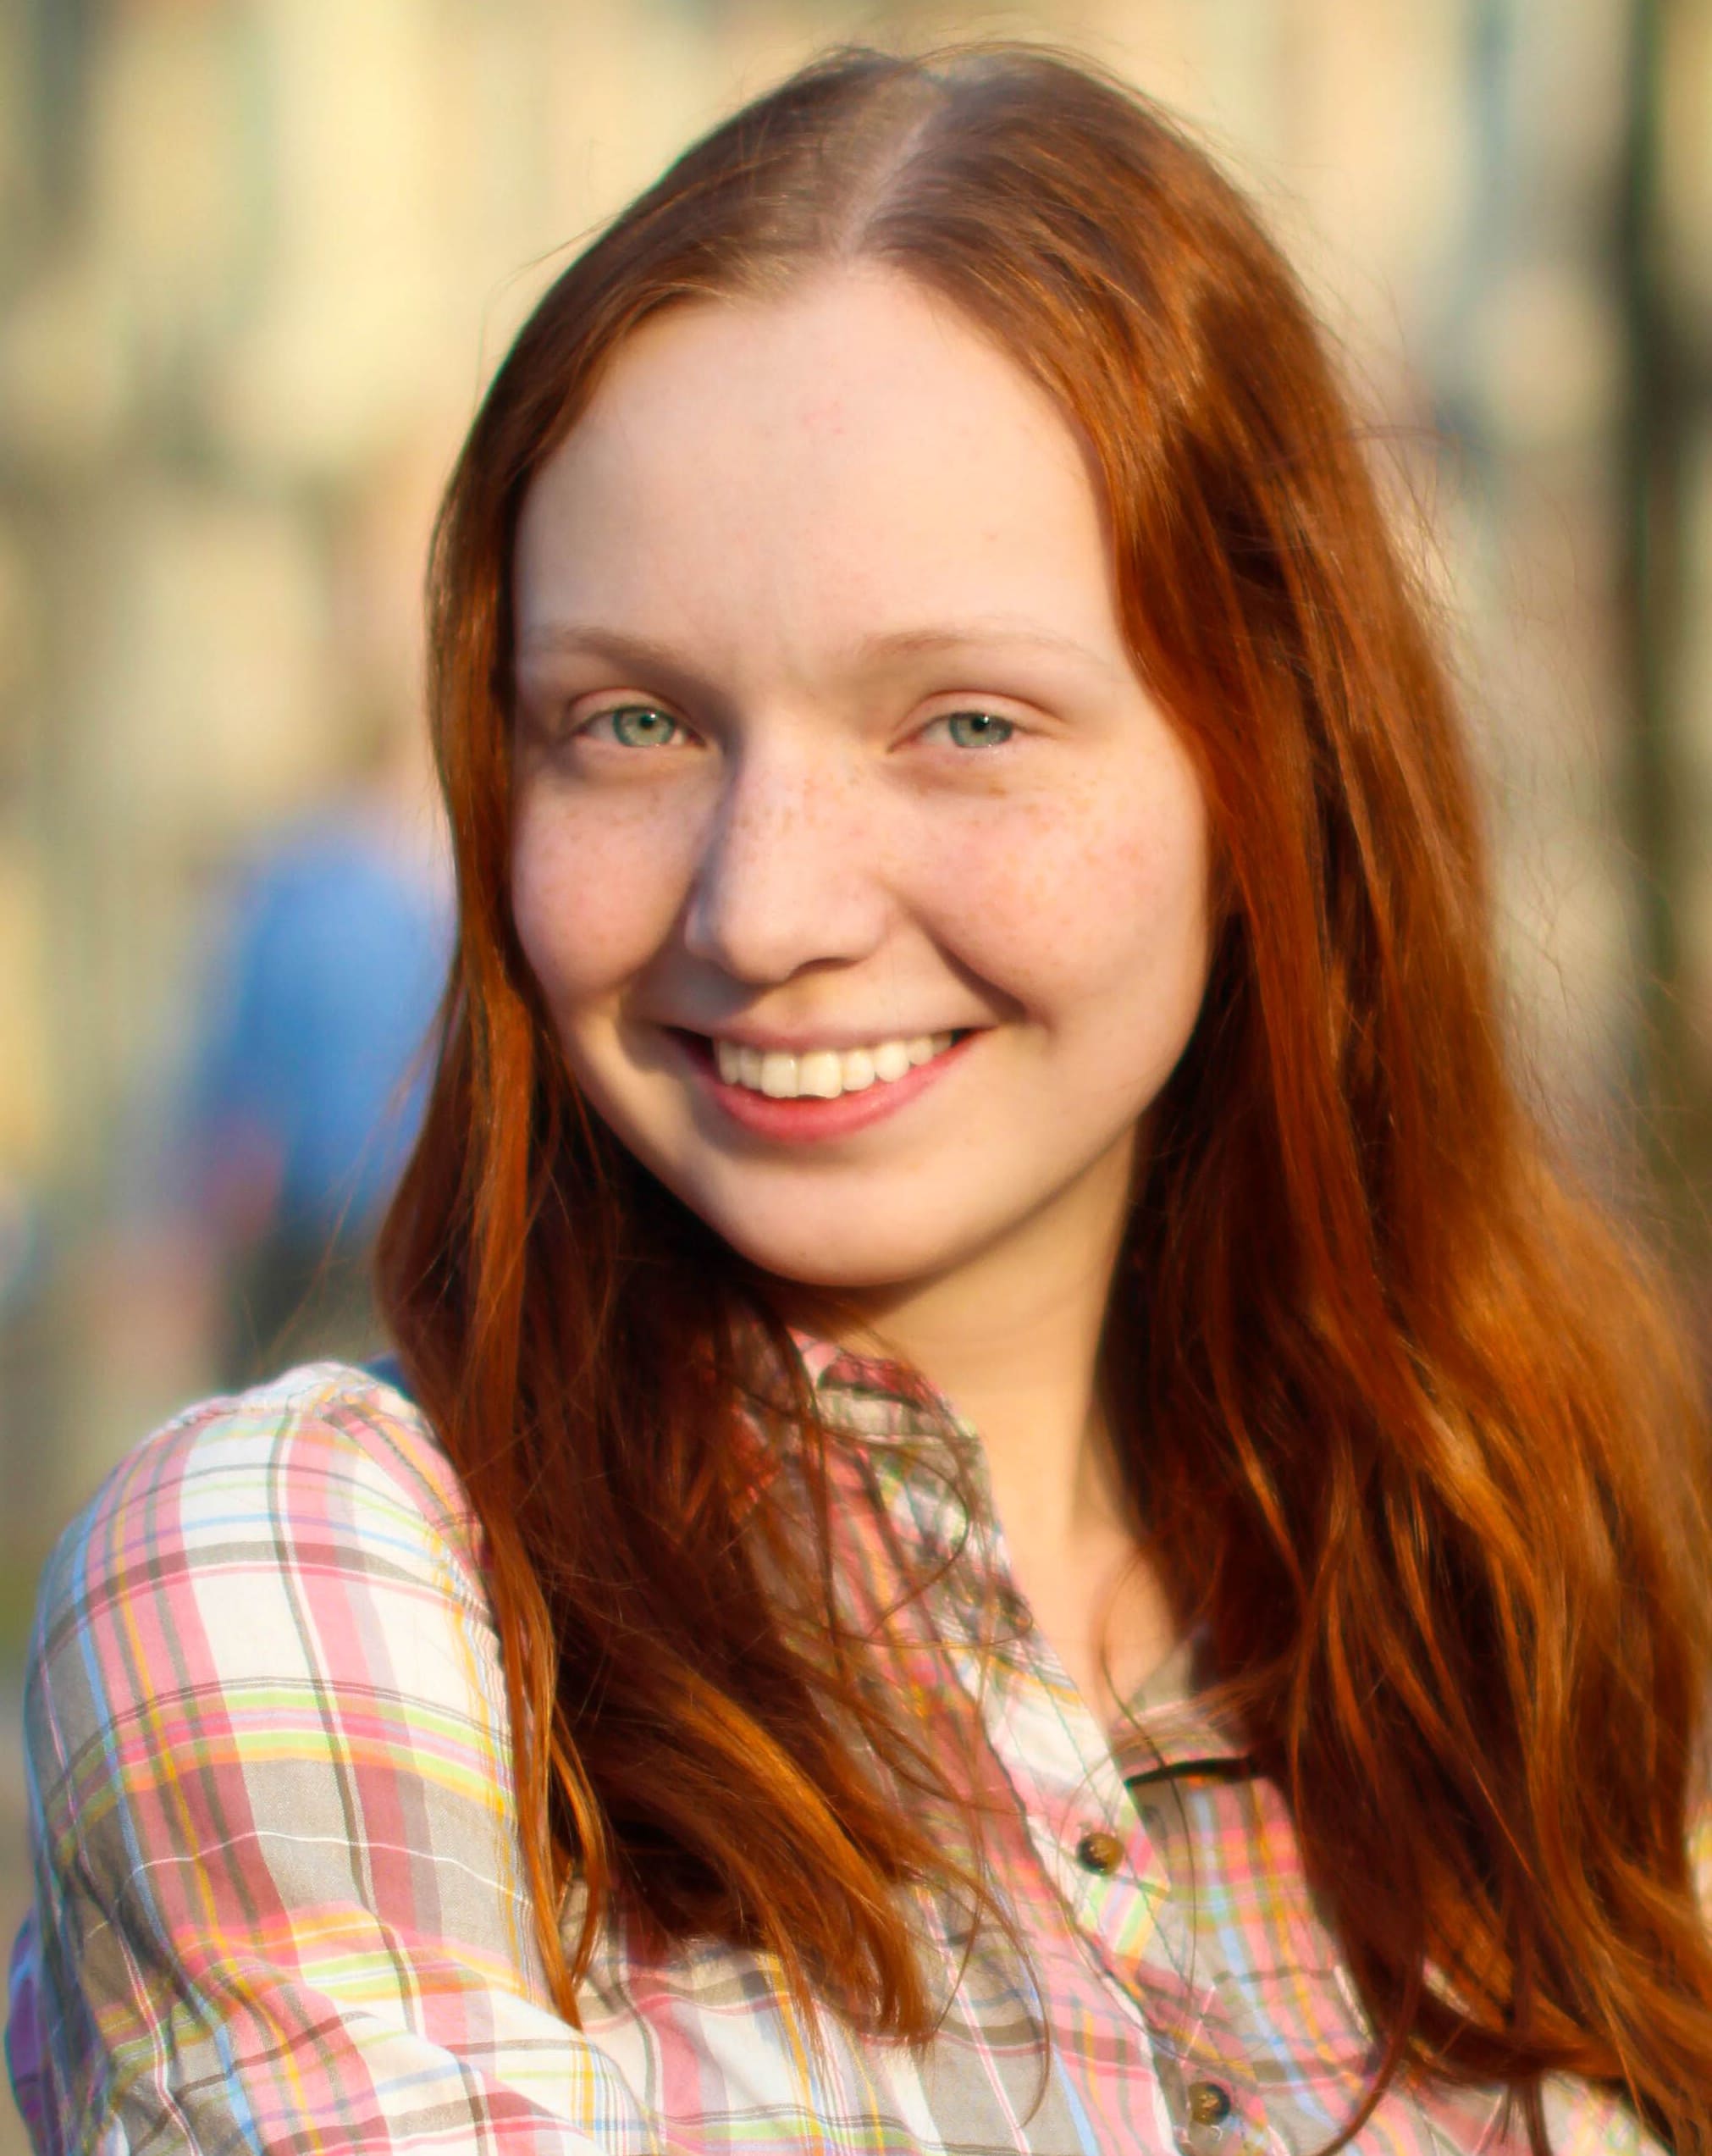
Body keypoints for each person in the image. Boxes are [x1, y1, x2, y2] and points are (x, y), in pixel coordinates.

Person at [8, 45, 1712, 2155]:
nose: (767, 902)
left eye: (964, 722)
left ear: (1270, 769)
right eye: (634, 722)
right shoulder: (335, 1596)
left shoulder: (1516, 1613)